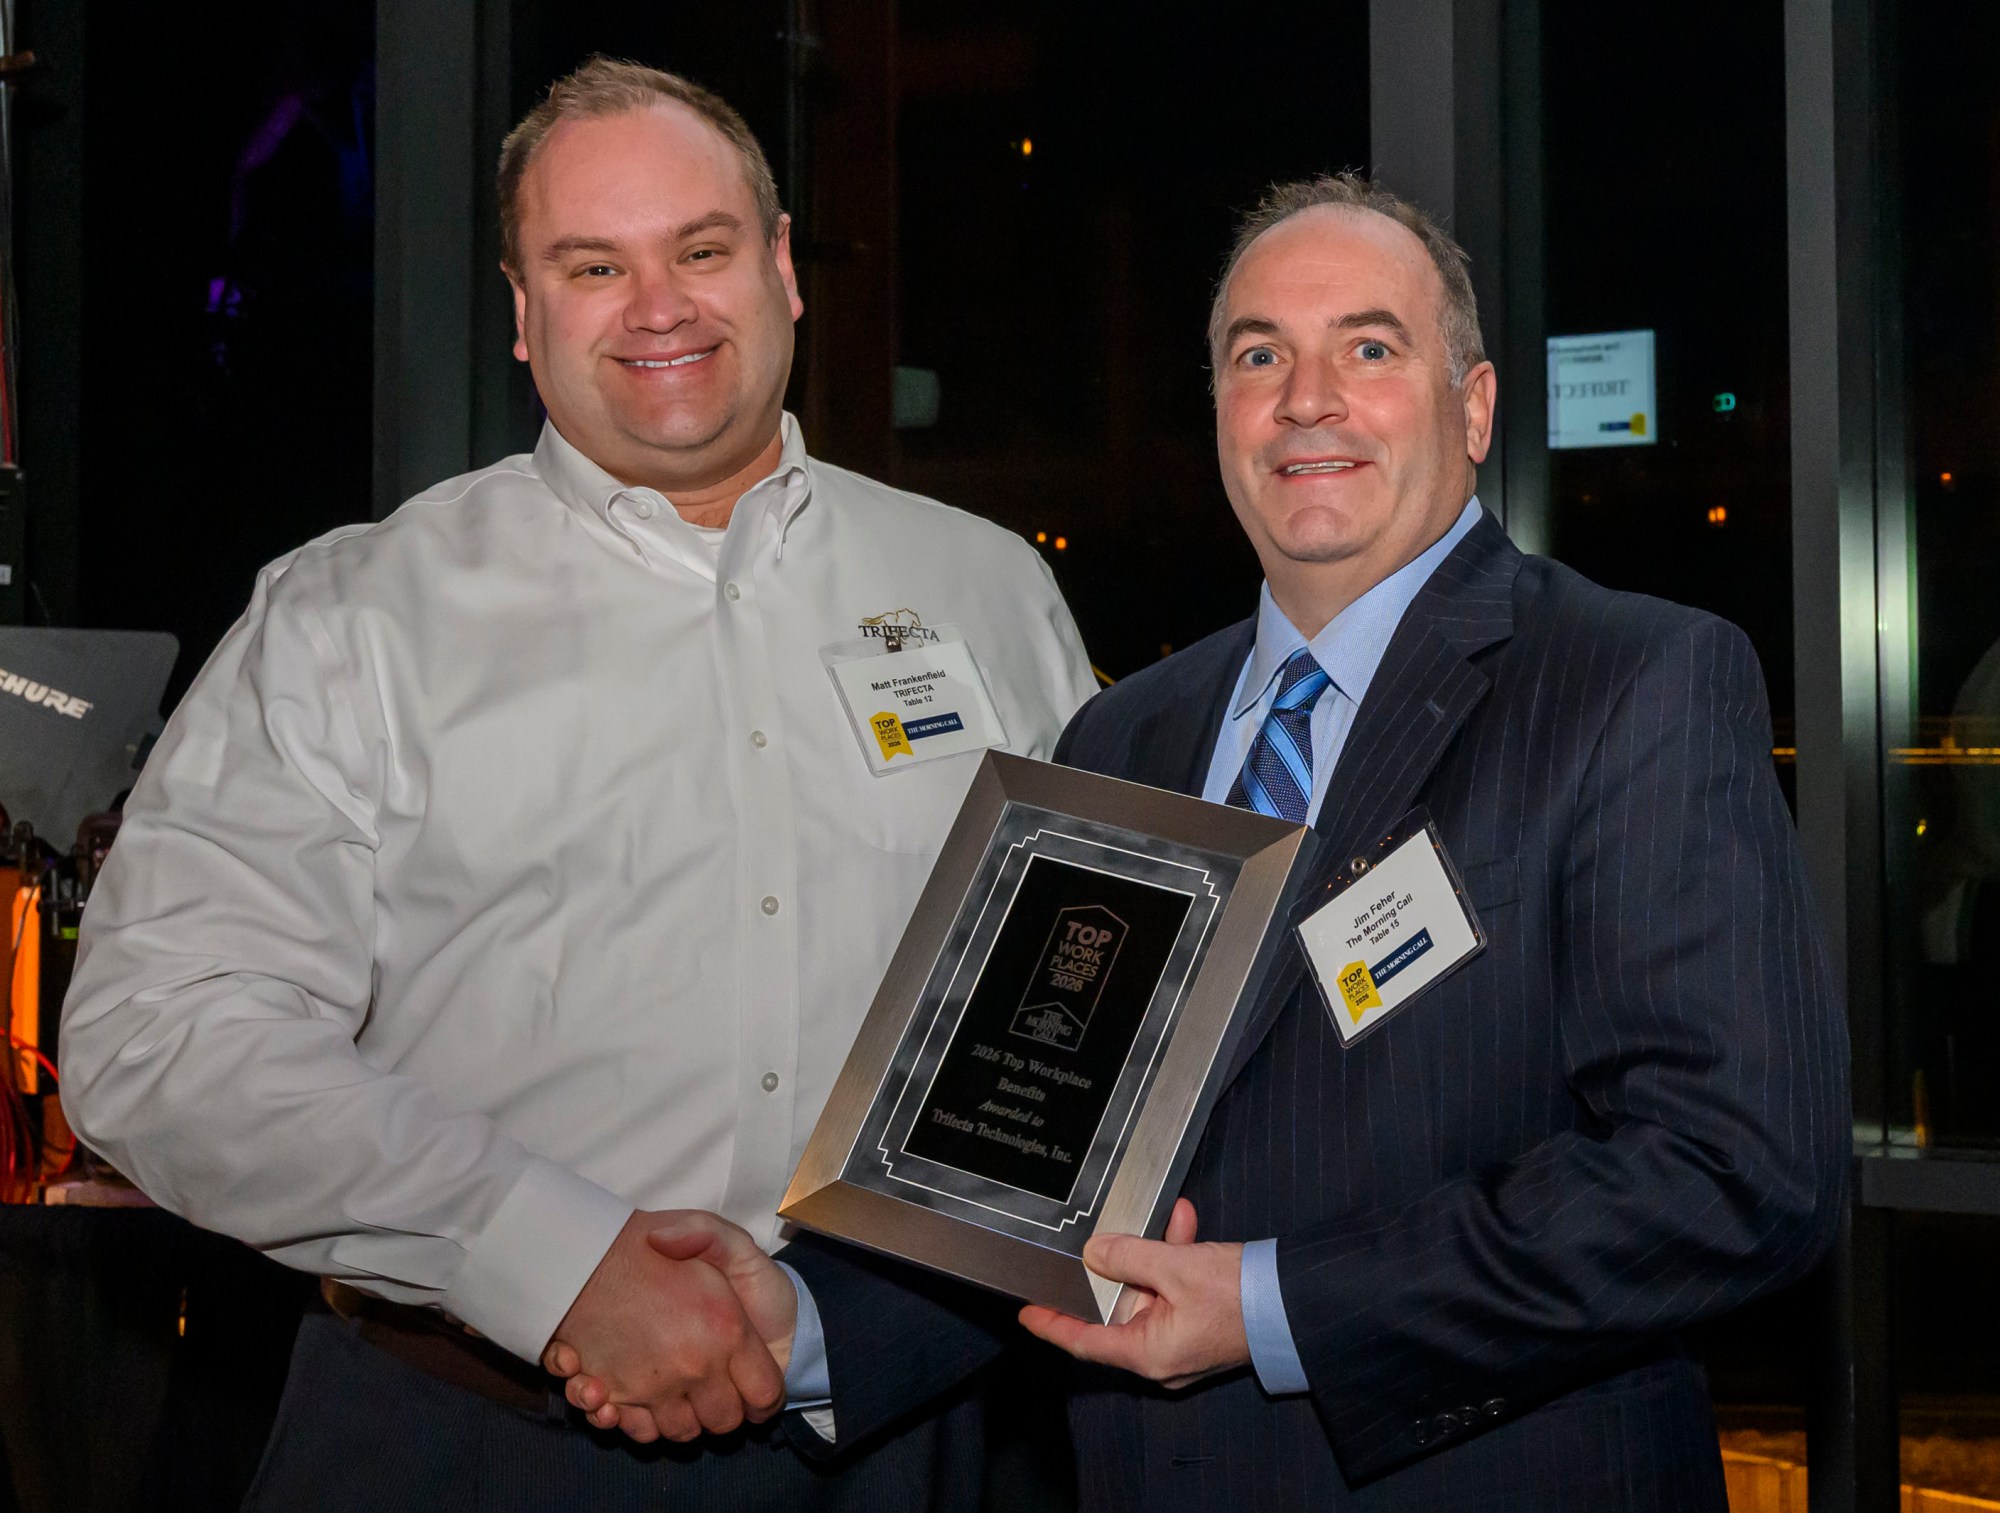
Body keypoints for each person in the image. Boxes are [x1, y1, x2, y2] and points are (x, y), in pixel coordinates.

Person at [620, 172, 1847, 1510]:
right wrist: (794, 1326)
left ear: (1475, 405)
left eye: (1368, 348)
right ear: (1218, 408)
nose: (1306, 397)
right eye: (1259, 353)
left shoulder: (1633, 681)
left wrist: (1271, 1305)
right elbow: (1015, 1177)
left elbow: (1739, 1170)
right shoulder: (1120, 738)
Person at [58, 58, 1095, 1511]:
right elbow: (154, 1035)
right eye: (593, 264)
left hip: (922, 1440)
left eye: (703, 250)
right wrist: (550, 1259)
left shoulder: (983, 590)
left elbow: (1088, 1015)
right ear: (522, 308)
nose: (659, 305)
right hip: (467, 1450)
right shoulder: (355, 617)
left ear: (785, 268)